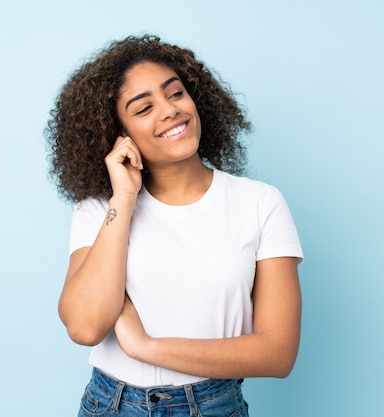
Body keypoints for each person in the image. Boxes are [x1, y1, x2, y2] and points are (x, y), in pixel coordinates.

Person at [46, 34, 303, 417]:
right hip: (112, 405)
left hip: (214, 405)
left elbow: (277, 353)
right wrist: (124, 199)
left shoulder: (260, 203)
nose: (169, 111)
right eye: (143, 108)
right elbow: (84, 327)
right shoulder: (100, 209)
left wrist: (145, 347)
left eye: (176, 93)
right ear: (119, 134)